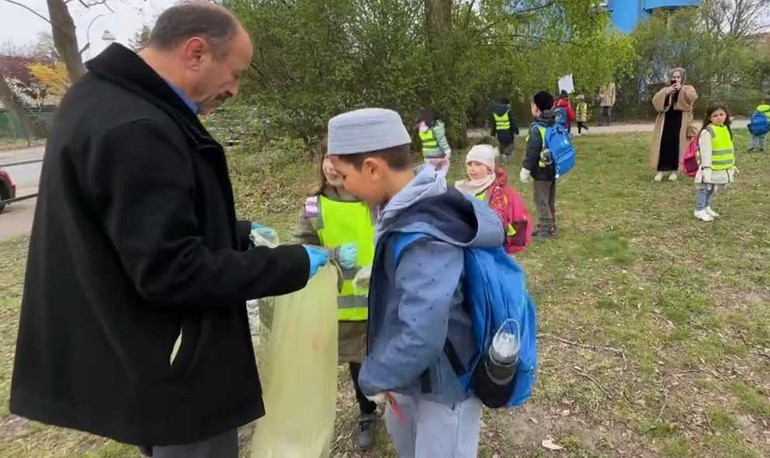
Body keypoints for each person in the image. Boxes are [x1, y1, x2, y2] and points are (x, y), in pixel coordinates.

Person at [9, 4, 328, 458]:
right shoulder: (139, 128)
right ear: (196, 52)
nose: (234, 90)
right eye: (234, 74)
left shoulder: (100, 99)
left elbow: (135, 227)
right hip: (176, 372)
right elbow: (171, 271)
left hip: (142, 353)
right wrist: (289, 265)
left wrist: (233, 233)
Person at [327, 108, 504, 458]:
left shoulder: (423, 232)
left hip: (443, 387)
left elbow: (421, 335)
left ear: (373, 169)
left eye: (344, 176)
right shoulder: (397, 208)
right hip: (411, 378)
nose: (342, 186)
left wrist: (372, 376)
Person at [292, 143, 378, 450]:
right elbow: (299, 248)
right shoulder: (314, 206)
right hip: (336, 305)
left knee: (375, 361)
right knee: (342, 364)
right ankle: (350, 414)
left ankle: (383, 411)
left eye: (339, 160)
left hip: (377, 302)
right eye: (327, 158)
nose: (331, 166)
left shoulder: (375, 200)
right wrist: (332, 254)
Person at [455, 144, 530, 253]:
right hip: (465, 243)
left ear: (489, 169)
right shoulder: (461, 188)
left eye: (478, 164)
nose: (472, 168)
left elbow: (498, 221)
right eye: (469, 164)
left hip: (489, 245)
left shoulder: (496, 192)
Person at [520, 91, 558, 238]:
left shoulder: (537, 128)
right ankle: (551, 226)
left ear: (536, 108)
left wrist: (525, 170)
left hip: (541, 172)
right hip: (553, 169)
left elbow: (532, 153)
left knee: (541, 201)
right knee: (550, 200)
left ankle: (545, 231)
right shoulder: (553, 123)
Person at [650, 67, 698, 182]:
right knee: (663, 145)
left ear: (682, 78)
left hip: (680, 122)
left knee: (677, 146)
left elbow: (691, 99)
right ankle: (660, 171)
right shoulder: (666, 89)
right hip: (665, 121)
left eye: (678, 77)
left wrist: (681, 90)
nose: (675, 79)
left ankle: (674, 171)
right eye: (673, 77)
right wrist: (667, 92)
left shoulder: (688, 88)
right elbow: (656, 102)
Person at [693, 105, 736, 222]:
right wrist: (706, 168)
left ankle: (706, 206)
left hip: (720, 167)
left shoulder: (725, 129)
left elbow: (729, 148)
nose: (719, 118)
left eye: (721, 114)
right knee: (704, 188)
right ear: (710, 118)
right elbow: (705, 151)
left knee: (712, 188)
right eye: (715, 115)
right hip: (709, 167)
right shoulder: (708, 132)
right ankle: (699, 209)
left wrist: (731, 164)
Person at [416, 106, 452, 176]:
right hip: (438, 155)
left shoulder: (421, 127)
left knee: (431, 175)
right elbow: (441, 140)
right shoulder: (436, 126)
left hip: (427, 156)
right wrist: (447, 151)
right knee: (440, 174)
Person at [490, 98, 518, 162]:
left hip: (499, 132)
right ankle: (505, 155)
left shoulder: (495, 112)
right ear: (507, 104)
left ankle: (502, 156)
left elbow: (494, 124)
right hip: (508, 132)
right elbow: (512, 122)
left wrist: (493, 134)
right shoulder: (508, 111)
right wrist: (516, 131)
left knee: (502, 144)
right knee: (510, 144)